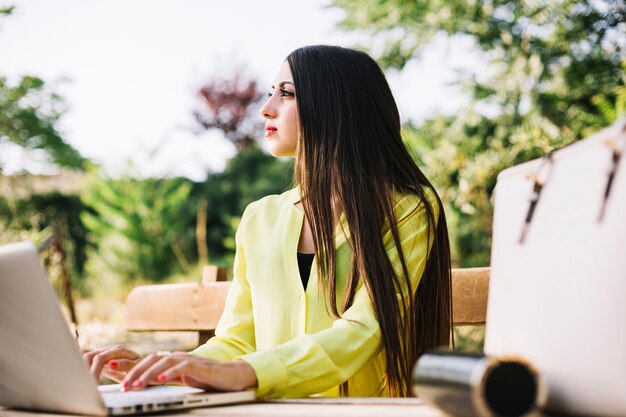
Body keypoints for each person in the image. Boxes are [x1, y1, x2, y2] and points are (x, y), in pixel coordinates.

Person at [85, 45, 452, 398]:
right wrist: (162, 369)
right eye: (270, 93)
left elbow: (365, 331)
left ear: (335, 106)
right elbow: (237, 341)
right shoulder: (260, 217)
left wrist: (248, 373)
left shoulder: (408, 210)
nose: (266, 109)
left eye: (287, 94)